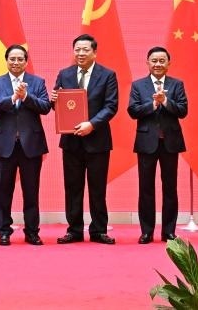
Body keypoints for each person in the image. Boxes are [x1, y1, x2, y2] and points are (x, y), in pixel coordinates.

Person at [51, 33, 119, 245]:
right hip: (71, 141)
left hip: (97, 140)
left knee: (97, 188)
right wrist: (54, 100)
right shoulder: (64, 74)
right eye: (77, 50)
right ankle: (74, 230)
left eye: (85, 50)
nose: (80, 53)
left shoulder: (107, 75)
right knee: (72, 188)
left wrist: (92, 124)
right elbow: (59, 105)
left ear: (94, 52)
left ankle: (98, 230)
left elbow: (111, 106)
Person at [0, 44, 50, 246]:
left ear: (26, 61)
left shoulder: (38, 82)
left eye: (20, 59)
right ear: (6, 61)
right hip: (4, 145)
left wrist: (26, 97)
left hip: (31, 145)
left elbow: (45, 107)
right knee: (3, 191)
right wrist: (12, 98)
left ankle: (32, 232)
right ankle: (3, 231)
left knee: (31, 191)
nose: (16, 62)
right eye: (12, 59)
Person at [127, 46, 188, 244]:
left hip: (170, 142)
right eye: (154, 61)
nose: (158, 64)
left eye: (162, 61)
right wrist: (153, 104)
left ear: (168, 63)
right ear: (147, 63)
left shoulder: (177, 84)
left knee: (170, 188)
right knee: (146, 188)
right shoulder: (138, 85)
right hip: (146, 143)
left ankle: (169, 231)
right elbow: (133, 111)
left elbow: (183, 110)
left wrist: (166, 101)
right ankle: (147, 231)